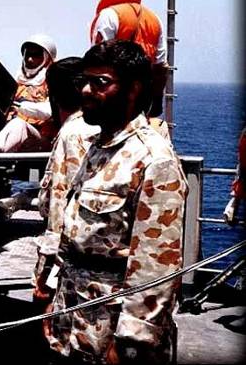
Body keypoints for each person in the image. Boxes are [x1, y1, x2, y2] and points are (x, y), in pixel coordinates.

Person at [45, 40, 187, 364]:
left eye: (100, 82)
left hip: (113, 332)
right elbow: (74, 237)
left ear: (133, 89)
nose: (86, 90)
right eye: (84, 81)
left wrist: (131, 342)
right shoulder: (98, 149)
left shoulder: (153, 159)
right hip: (74, 318)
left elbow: (156, 267)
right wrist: (56, 301)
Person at [33, 57, 100, 305]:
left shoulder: (71, 134)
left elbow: (59, 210)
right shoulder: (100, 128)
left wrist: (43, 276)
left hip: (71, 267)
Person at [91, 0, 169, 118]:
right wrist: (156, 101)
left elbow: (97, 62)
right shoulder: (154, 18)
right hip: (142, 101)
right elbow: (161, 67)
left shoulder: (109, 15)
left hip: (114, 100)